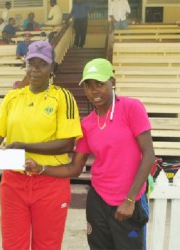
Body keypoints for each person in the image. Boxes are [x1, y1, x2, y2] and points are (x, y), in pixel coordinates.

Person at [25, 58, 155, 250]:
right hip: (98, 200)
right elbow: (75, 168)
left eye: (99, 84)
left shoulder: (131, 108)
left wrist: (130, 200)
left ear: (113, 82)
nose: (94, 91)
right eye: (88, 85)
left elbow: (149, 154)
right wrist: (41, 168)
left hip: (129, 200)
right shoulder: (87, 124)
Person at [0, 40, 82, 249]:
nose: (35, 69)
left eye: (42, 64)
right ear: (25, 65)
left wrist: (23, 146)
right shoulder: (13, 97)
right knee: (12, 245)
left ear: (52, 67)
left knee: (46, 245)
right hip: (14, 182)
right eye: (31, 63)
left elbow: (67, 144)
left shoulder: (63, 97)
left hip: (50, 181)